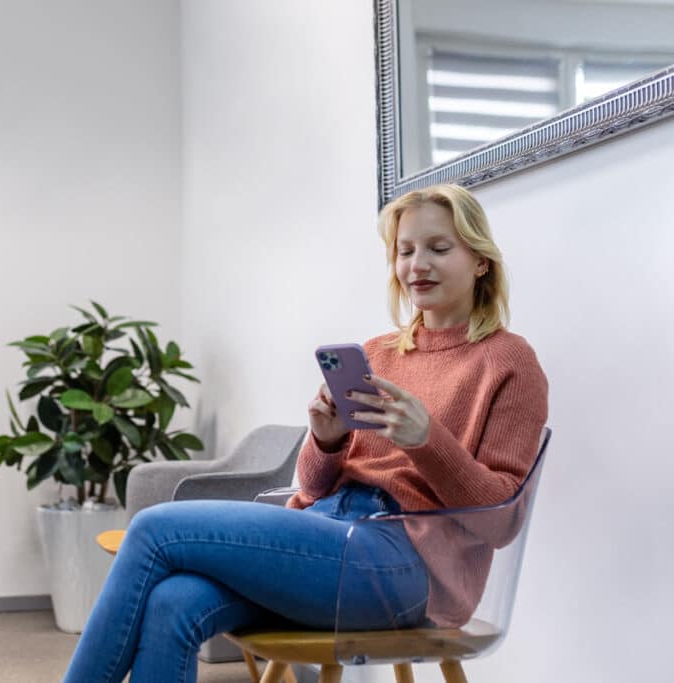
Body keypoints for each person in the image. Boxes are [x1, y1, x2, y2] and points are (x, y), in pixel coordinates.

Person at [61, 184, 548, 682]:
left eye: (439, 249)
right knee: (172, 602)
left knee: (152, 528)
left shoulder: (507, 361)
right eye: (404, 251)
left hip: (407, 564)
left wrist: (427, 441)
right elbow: (313, 489)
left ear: (481, 261)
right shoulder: (378, 353)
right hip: (330, 530)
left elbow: (502, 519)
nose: (416, 265)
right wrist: (327, 439)